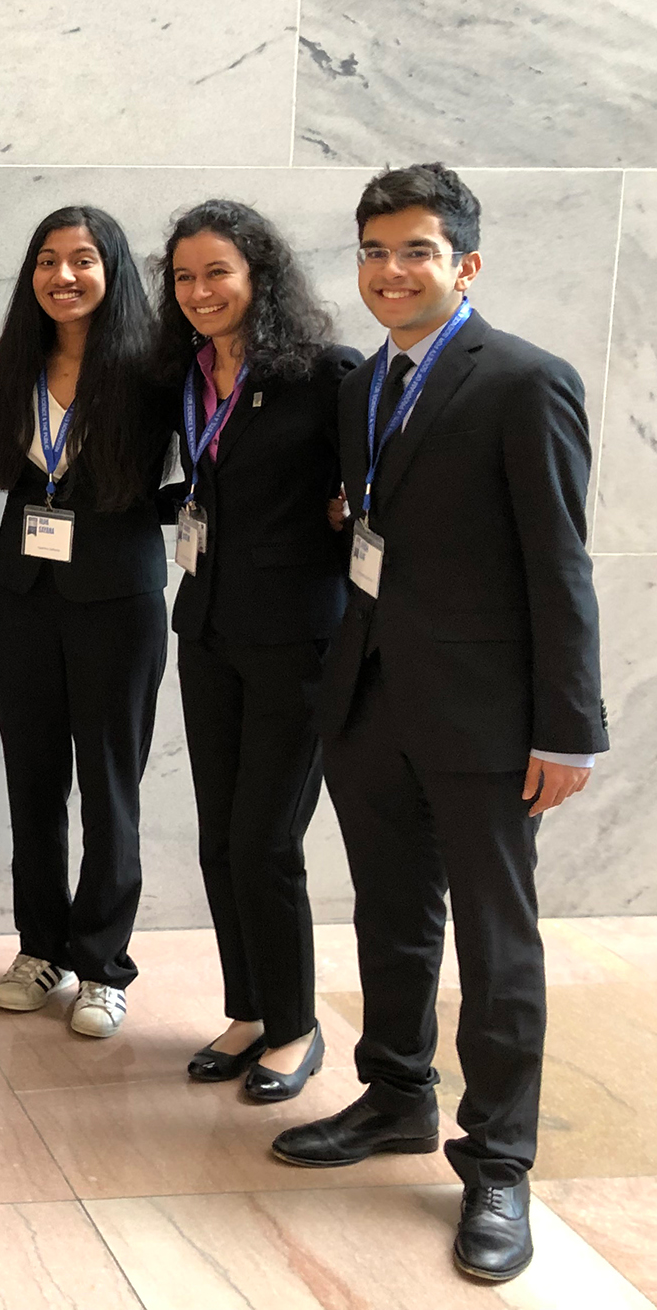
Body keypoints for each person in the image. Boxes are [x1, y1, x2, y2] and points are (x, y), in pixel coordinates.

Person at [271, 165, 606, 1282]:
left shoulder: (522, 381)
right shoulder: (366, 387)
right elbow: (380, 524)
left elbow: (558, 565)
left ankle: (498, 1163)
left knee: (496, 945)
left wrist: (567, 730)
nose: (386, 271)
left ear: (463, 263)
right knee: (389, 915)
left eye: (411, 251)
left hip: (487, 722)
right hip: (369, 704)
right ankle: (395, 1096)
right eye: (370, 251)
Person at [152, 200, 363, 1099]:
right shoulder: (188, 373)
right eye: (185, 276)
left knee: (265, 838)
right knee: (216, 836)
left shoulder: (326, 374)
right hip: (206, 630)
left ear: (258, 276)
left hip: (295, 640)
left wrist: (350, 515)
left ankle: (297, 1026)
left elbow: (381, 492)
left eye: (218, 273)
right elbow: (202, 487)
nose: (200, 291)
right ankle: (248, 1009)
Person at [0, 206, 168, 1040]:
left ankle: (103, 967)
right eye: (47, 260)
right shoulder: (18, 363)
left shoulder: (154, 371)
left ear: (111, 271)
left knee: (110, 792)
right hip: (20, 595)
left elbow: (191, 478)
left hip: (117, 601)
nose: (63, 276)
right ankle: (38, 948)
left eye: (82, 260)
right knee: (32, 785)